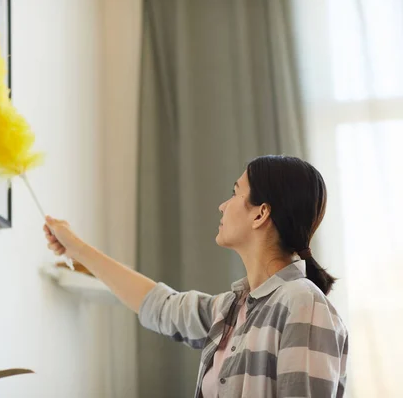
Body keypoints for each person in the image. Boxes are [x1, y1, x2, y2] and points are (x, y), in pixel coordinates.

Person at [43, 155, 348, 398]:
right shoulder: (233, 309)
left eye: (235, 193)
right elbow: (161, 305)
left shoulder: (302, 302)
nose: (222, 205)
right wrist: (77, 249)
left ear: (260, 214)